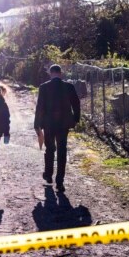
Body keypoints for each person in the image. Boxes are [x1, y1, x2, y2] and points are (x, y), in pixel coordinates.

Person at [34, 64, 80, 193]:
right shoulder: (69, 87)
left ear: (50, 73)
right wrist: (75, 119)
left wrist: (37, 124)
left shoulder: (44, 87)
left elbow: (40, 107)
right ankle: (60, 181)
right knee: (62, 150)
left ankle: (48, 174)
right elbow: (76, 104)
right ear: (60, 73)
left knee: (49, 148)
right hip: (64, 124)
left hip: (48, 124)